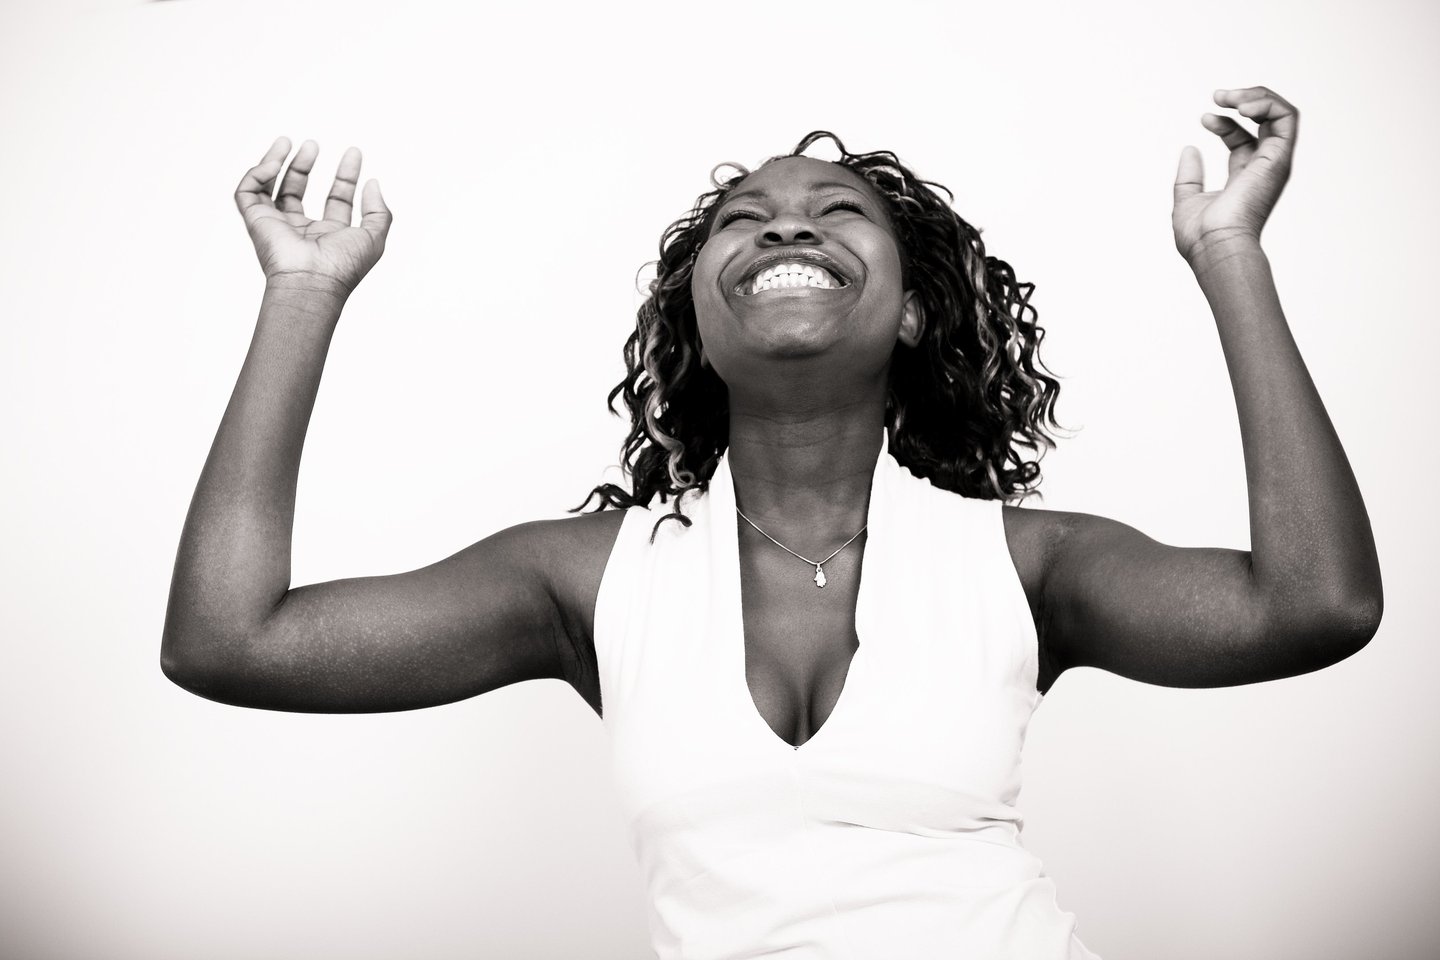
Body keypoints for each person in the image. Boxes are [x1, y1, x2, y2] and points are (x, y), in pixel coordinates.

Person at [161, 86, 1382, 959]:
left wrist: (1230, 254)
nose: (787, 224)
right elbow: (231, 640)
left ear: (911, 313)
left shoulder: (1021, 560)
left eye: (839, 211)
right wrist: (303, 290)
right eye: (744, 217)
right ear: (698, 319)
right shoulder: (592, 580)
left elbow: (1313, 604)